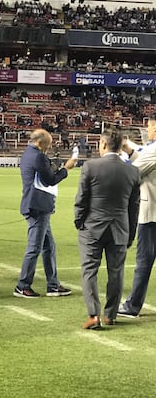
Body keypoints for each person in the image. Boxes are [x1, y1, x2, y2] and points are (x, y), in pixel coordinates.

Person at [74, 128, 140, 329]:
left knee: (89, 271)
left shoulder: (91, 166)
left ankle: (94, 315)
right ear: (121, 147)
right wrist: (130, 232)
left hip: (92, 228)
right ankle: (111, 315)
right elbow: (134, 207)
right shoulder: (132, 171)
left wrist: (79, 222)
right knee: (116, 272)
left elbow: (82, 199)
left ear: (103, 144)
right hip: (120, 228)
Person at [14, 129, 76, 298]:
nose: (48, 148)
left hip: (36, 205)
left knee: (49, 247)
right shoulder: (38, 156)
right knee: (35, 248)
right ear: (39, 143)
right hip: (38, 206)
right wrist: (66, 169)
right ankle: (23, 285)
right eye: (47, 145)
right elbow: (50, 180)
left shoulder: (28, 153)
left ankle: (53, 285)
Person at [118, 113, 156, 318]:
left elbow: (132, 173)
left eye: (149, 128)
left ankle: (133, 305)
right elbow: (144, 156)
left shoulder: (154, 148)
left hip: (152, 216)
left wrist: (115, 159)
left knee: (143, 261)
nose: (147, 131)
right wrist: (129, 149)